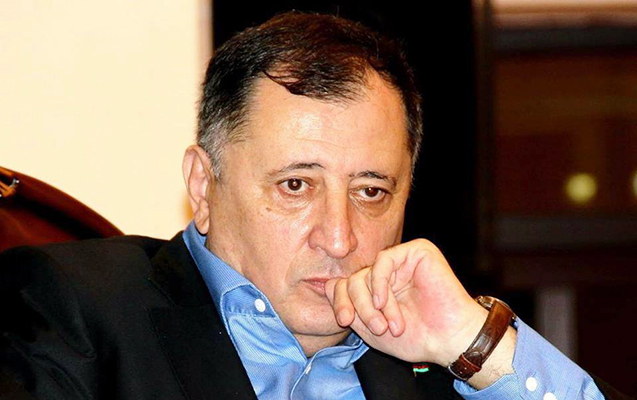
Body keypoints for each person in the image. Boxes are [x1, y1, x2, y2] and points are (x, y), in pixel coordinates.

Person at [0, 12, 628, 400]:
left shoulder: (443, 360)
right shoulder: (73, 308)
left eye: (370, 191)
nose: (339, 237)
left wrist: (477, 344)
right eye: (296, 185)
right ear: (203, 185)